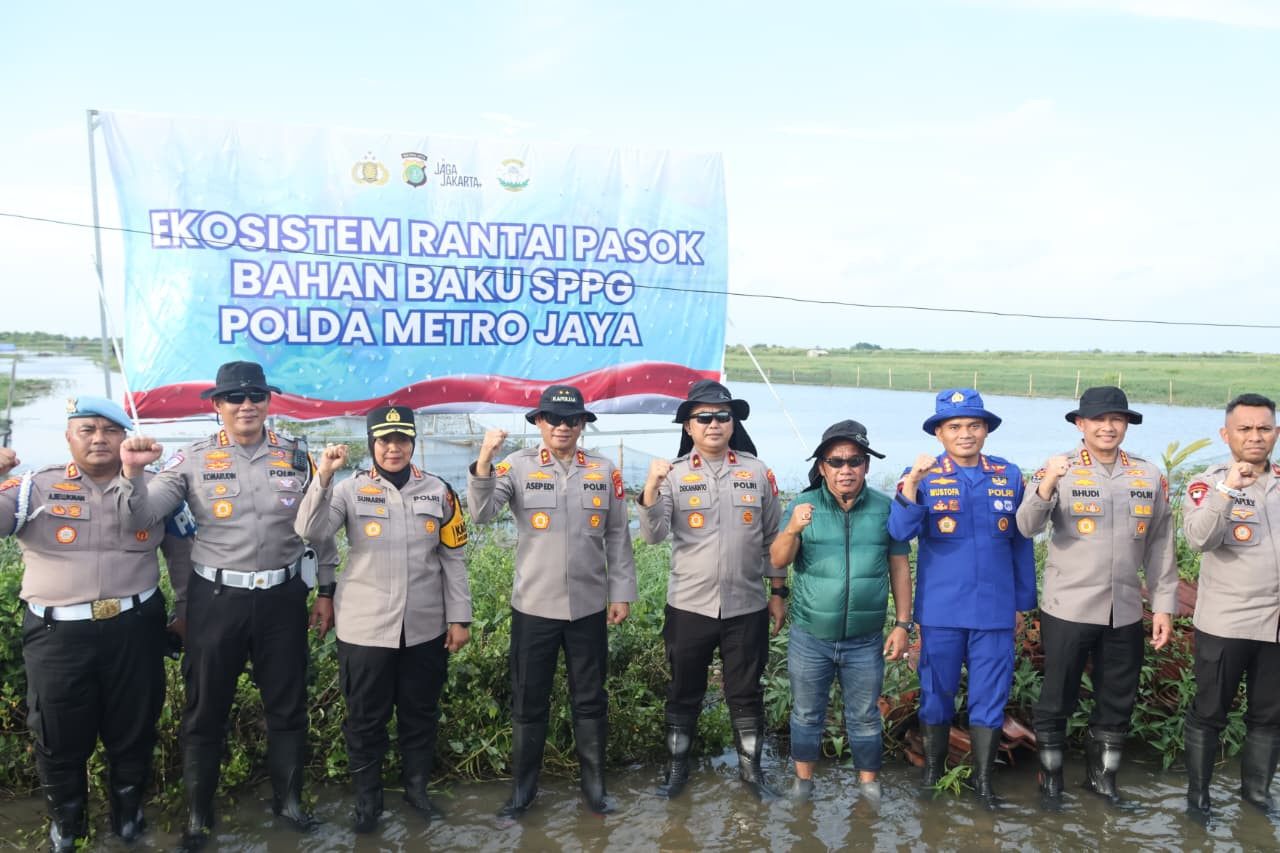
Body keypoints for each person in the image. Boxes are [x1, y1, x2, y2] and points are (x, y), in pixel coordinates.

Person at [118, 361, 338, 850]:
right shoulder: (191, 459)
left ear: (268, 402)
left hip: (283, 597)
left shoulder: (296, 457)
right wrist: (132, 473)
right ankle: (199, 815)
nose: (247, 405)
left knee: (287, 705)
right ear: (217, 406)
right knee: (204, 709)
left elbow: (317, 526)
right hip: (216, 599)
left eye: (256, 395)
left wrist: (326, 589)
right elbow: (143, 515)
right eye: (235, 397)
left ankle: (289, 802)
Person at [0, 397, 193, 851]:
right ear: (68, 437)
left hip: (135, 628)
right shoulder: (33, 487)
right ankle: (68, 825)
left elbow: (182, 554)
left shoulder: (154, 490)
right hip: (58, 635)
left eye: (110, 430)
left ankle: (128, 816)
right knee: (58, 735)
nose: (99, 438)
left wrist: (185, 610)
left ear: (126, 438)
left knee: (134, 728)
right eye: (87, 429)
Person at [295, 406, 472, 834]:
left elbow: (453, 557)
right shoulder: (348, 490)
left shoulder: (439, 491)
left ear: (413, 443)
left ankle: (416, 792)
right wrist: (322, 477)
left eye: (402, 440)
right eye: (384, 441)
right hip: (365, 628)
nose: (393, 448)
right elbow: (309, 531)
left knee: (420, 714)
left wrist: (460, 617)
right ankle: (368, 803)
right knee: (365, 719)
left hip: (425, 626)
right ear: (372, 444)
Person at [467, 384, 636, 817]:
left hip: (588, 606)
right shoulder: (517, 466)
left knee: (590, 699)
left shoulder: (603, 469)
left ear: (582, 424)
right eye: (554, 419)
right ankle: (524, 791)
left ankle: (594, 789)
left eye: (572, 420)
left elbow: (617, 535)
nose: (563, 426)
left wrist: (621, 591)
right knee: (528, 699)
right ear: (539, 422)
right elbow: (482, 515)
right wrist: (484, 460)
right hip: (534, 607)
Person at [1016, 386, 1177, 804]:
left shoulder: (1147, 474)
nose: (1108, 427)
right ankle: (1050, 782)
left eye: (1117, 419)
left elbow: (1161, 544)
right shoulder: (1058, 468)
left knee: (1117, 697)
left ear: (1126, 425)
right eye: (1099, 419)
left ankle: (1102, 781)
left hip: (1123, 608)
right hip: (1068, 606)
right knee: (1057, 696)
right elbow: (1026, 526)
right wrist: (1048, 481)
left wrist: (1163, 606)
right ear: (1080, 424)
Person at [887, 388, 1036, 804]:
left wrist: (1023, 605)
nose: (965, 434)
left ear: (985, 430)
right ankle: (933, 775)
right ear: (939, 433)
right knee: (937, 693)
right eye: (954, 427)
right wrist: (913, 483)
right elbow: (899, 533)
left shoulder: (1008, 475)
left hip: (994, 608)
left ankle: (984, 783)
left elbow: (1021, 543)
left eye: (973, 425)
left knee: (991, 696)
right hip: (941, 609)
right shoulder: (921, 475)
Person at [638, 379, 784, 799]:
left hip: (747, 604)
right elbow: (653, 535)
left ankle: (752, 773)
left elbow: (772, 539)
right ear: (688, 426)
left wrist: (779, 592)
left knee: (747, 692)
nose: (715, 424)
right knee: (683, 691)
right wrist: (650, 487)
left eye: (723, 416)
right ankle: (676, 771)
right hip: (689, 606)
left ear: (732, 422)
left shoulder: (757, 471)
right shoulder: (674, 473)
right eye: (704, 418)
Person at [769, 420, 912, 802]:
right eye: (835, 462)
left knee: (865, 716)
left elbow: (899, 566)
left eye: (855, 461)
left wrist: (902, 624)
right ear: (821, 467)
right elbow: (778, 559)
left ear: (866, 465)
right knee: (806, 714)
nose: (845, 469)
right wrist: (793, 529)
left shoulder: (885, 508)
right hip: (809, 636)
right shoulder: (802, 506)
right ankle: (803, 783)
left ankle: (869, 785)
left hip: (865, 639)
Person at [1182, 392, 1280, 818]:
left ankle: (1256, 797)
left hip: (1275, 626)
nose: (1255, 436)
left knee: (1269, 717)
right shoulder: (1207, 483)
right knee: (1209, 713)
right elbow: (1198, 539)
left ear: (1275, 432)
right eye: (1245, 428)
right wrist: (1226, 492)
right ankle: (1198, 801)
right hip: (1226, 623)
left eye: (1264, 428)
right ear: (1227, 434)